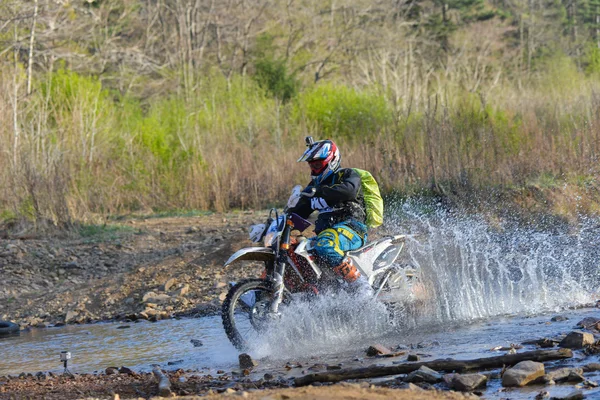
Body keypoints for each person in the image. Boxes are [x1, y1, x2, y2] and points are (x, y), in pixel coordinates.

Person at [287, 137, 368, 283]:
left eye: (318, 164)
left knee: (325, 243)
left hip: (352, 229)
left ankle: (361, 287)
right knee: (294, 251)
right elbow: (299, 212)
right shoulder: (312, 188)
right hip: (328, 233)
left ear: (332, 160)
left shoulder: (347, 175)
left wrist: (318, 190)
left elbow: (349, 191)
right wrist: (279, 224)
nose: (314, 169)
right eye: (311, 165)